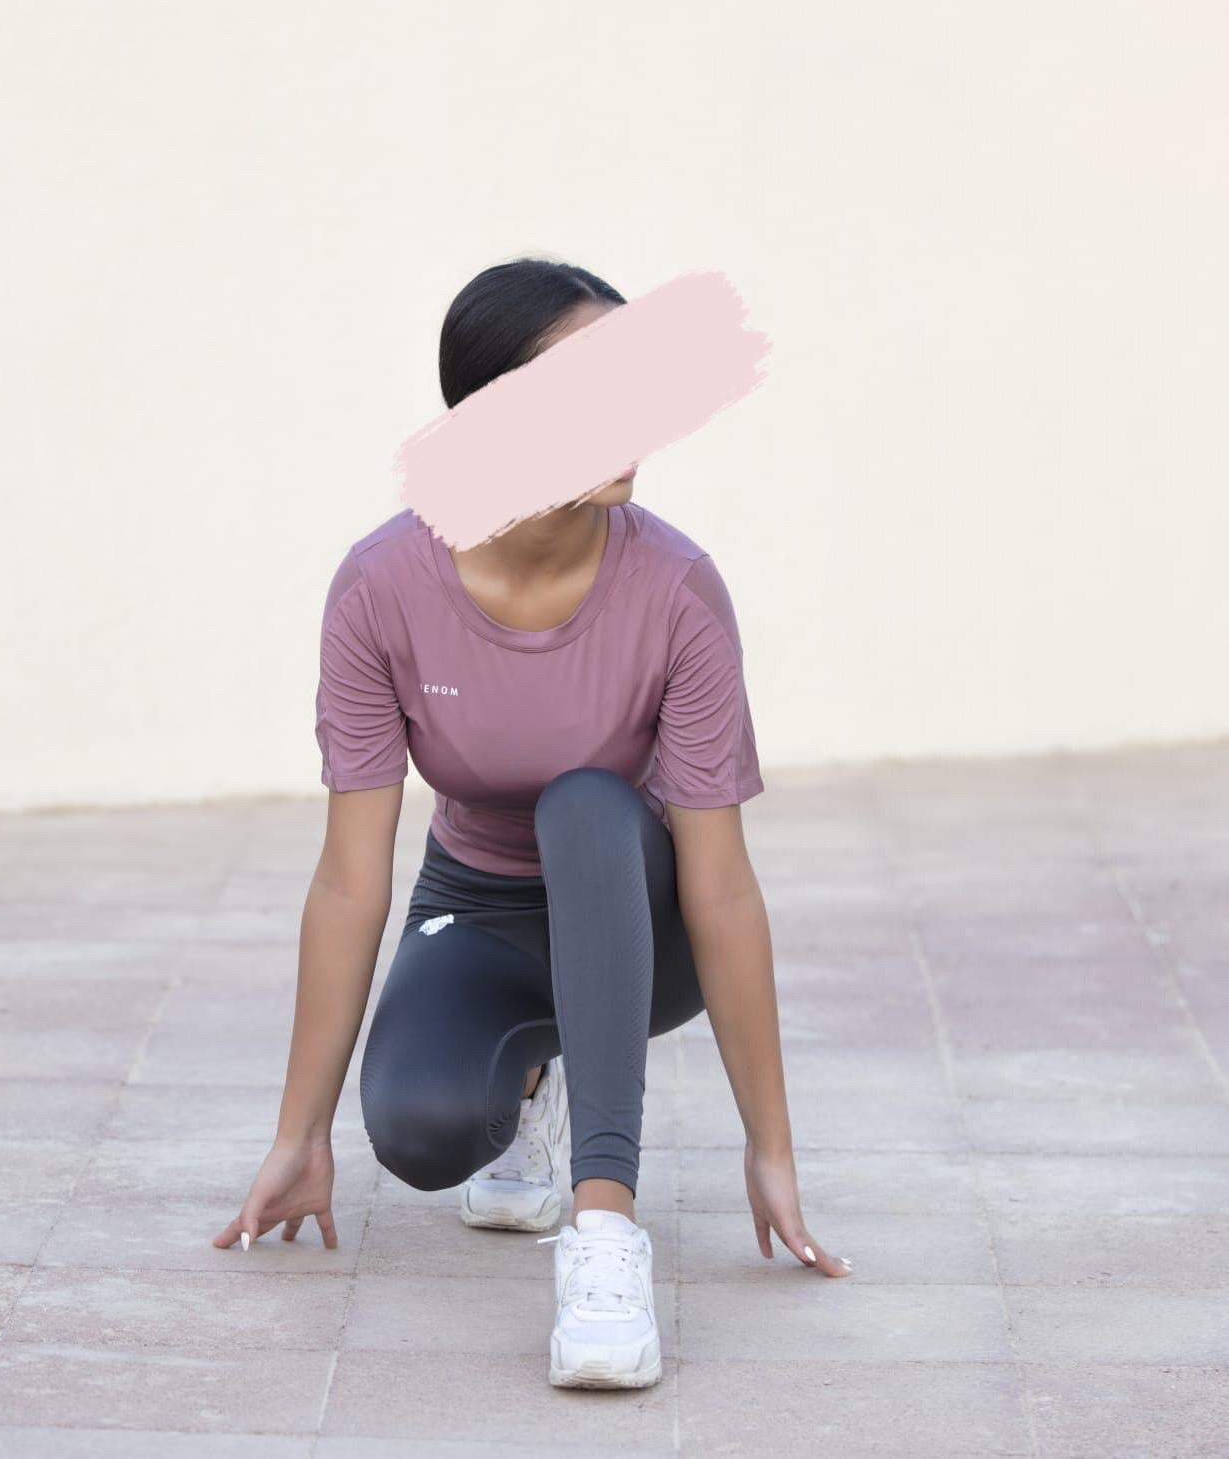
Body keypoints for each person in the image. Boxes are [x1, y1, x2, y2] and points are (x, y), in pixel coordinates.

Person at [214, 258, 851, 1389]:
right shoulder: (382, 587)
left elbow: (719, 883)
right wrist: (300, 1134)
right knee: (420, 1130)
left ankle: (604, 1229)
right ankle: (529, 1080)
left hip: (643, 924)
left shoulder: (677, 590)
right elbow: (352, 878)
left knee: (589, 802)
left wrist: (772, 1147)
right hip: (480, 909)